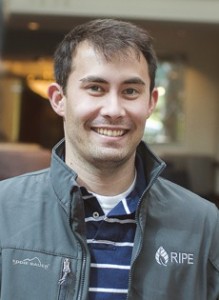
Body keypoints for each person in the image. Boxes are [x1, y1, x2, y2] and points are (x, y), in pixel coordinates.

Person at [0, 19, 218, 300]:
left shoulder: (202, 223)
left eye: (130, 91)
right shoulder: (4, 209)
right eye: (95, 88)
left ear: (150, 102)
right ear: (59, 99)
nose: (114, 110)